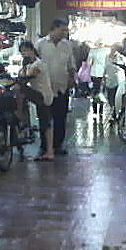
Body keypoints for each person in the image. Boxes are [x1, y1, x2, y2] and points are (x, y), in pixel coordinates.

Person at [36, 19, 75, 156]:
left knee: (60, 117)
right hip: (44, 88)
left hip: (61, 86)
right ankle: (45, 146)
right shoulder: (41, 44)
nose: (65, 33)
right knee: (44, 118)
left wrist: (72, 79)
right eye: (62, 30)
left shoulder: (67, 45)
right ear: (54, 28)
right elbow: (34, 64)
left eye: (66, 30)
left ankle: (57, 145)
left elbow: (70, 65)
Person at [17, 41, 55, 161]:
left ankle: (50, 152)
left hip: (43, 96)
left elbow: (26, 78)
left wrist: (23, 70)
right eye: (22, 51)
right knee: (44, 123)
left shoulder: (39, 64)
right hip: (39, 96)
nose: (24, 53)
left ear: (32, 50)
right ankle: (48, 151)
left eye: (26, 50)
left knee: (46, 123)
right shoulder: (30, 64)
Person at [104, 44, 126, 119]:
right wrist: (103, 78)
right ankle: (113, 110)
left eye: (114, 49)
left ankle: (118, 113)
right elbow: (105, 68)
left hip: (120, 81)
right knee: (110, 98)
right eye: (111, 49)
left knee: (119, 98)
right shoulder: (107, 57)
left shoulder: (122, 58)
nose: (112, 50)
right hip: (109, 81)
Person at [87, 42, 109, 114]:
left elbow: (89, 63)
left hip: (94, 72)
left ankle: (95, 109)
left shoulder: (92, 51)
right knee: (101, 91)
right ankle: (101, 110)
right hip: (103, 73)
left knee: (95, 90)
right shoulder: (107, 51)